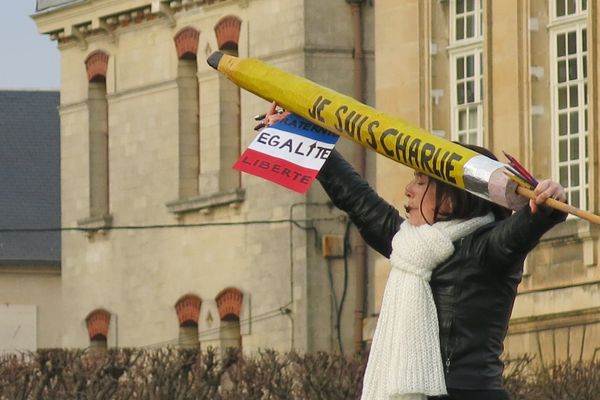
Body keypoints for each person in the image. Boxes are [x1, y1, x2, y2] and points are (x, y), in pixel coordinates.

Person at [259, 104, 567, 400]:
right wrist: (299, 132)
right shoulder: (408, 244)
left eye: (421, 182)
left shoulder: (487, 248)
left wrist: (545, 206)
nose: (408, 189)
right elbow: (356, 199)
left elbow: (522, 230)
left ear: (451, 199)